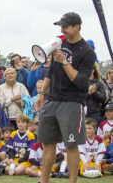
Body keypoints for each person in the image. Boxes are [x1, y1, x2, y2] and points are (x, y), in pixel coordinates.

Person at [36, 12, 96, 183]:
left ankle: (72, 181)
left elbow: (80, 81)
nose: (62, 30)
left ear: (77, 27)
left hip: (71, 102)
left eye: (65, 26)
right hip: (52, 99)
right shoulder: (59, 43)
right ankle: (43, 180)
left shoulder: (87, 52)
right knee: (47, 143)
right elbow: (51, 71)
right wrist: (42, 94)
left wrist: (64, 61)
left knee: (71, 145)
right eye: (60, 26)